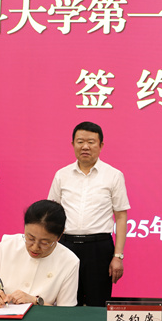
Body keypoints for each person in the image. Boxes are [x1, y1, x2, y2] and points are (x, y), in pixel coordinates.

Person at [48, 122, 130, 306]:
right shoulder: (61, 175)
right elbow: (52, 213)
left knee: (98, 304)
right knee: (66, 303)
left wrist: (118, 256)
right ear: (73, 144)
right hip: (66, 246)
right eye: (80, 141)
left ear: (101, 145)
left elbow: (121, 217)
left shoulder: (113, 175)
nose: (85, 146)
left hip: (99, 248)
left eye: (91, 142)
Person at [0, 200, 78, 307]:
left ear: (59, 236)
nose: (35, 247)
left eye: (44, 243)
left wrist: (35, 301)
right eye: (30, 238)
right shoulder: (8, 245)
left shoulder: (69, 262)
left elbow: (66, 312)